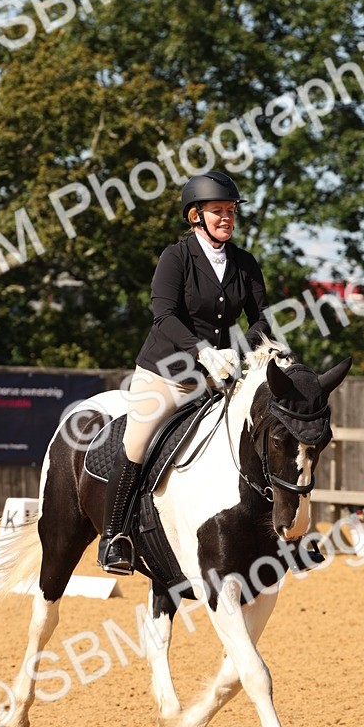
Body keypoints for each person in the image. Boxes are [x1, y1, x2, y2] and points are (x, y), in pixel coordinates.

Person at [97, 169, 271, 575]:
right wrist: (203, 351)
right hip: (167, 373)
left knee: (264, 436)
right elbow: (164, 315)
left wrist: (238, 350)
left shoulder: (244, 263)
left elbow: (263, 319)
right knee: (137, 443)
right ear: (196, 216)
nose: (227, 217)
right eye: (218, 211)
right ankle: (114, 537)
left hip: (221, 376)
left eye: (231, 211)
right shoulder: (175, 257)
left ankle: (283, 534)